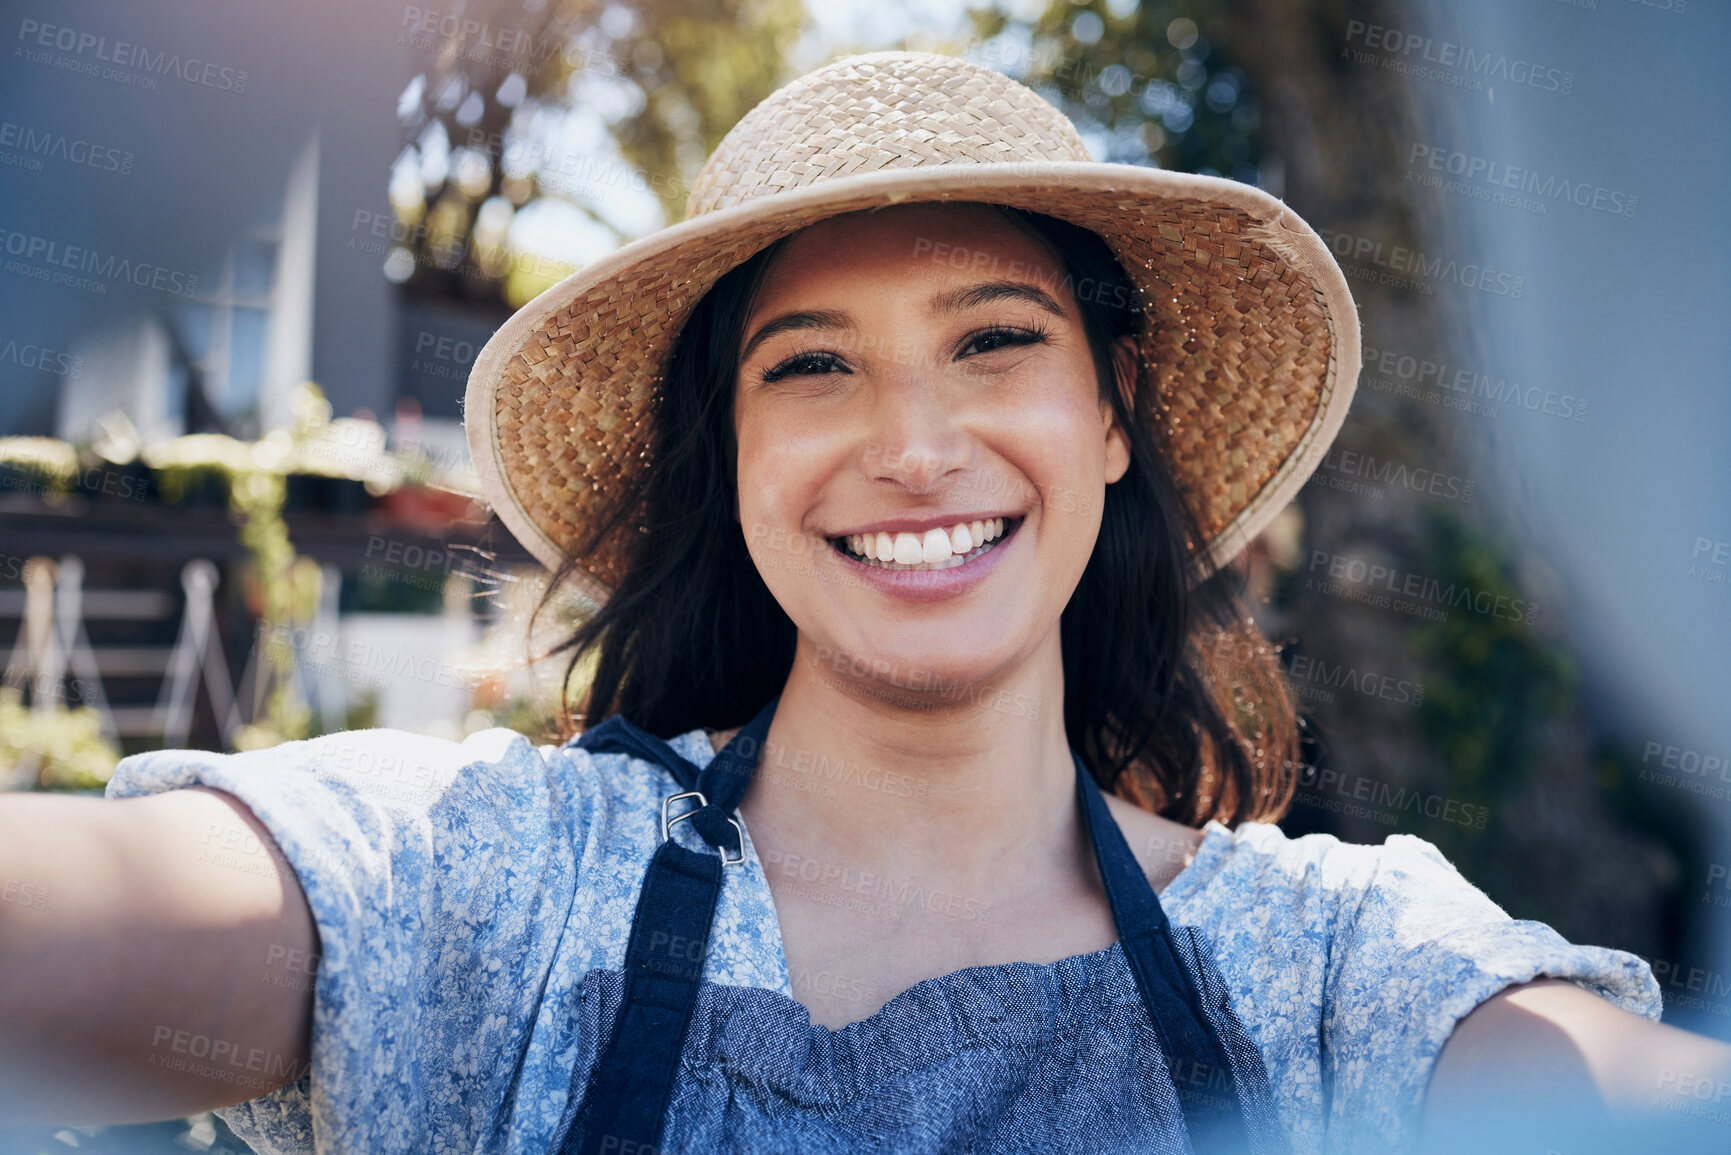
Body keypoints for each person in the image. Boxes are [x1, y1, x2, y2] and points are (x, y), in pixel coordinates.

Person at [1, 51, 1726, 1155]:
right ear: (731, 459)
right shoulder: (488, 889)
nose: (913, 446)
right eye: (811, 366)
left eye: (995, 340)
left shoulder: (1329, 970)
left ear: (1110, 413)